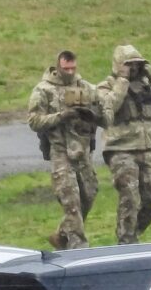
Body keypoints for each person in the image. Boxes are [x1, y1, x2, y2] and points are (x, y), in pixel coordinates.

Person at [97, 44, 151, 244]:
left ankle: (134, 231)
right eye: (129, 64)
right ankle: (126, 241)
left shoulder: (146, 85)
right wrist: (122, 81)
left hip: (147, 147)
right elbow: (108, 107)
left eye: (137, 64)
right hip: (120, 149)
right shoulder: (106, 86)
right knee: (130, 196)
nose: (133, 68)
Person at [28, 50, 99, 250]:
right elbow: (34, 120)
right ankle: (79, 249)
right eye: (66, 68)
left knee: (88, 196)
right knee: (71, 202)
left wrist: (91, 113)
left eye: (73, 68)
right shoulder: (44, 90)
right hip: (60, 151)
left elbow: (102, 107)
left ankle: (61, 235)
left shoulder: (85, 87)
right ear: (58, 67)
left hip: (82, 151)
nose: (70, 72)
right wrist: (61, 116)